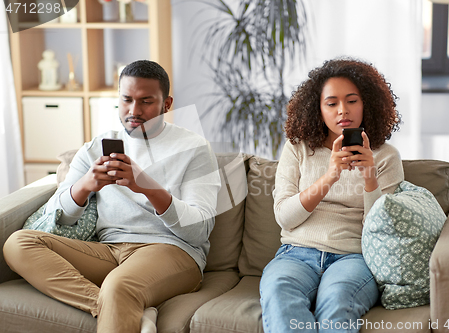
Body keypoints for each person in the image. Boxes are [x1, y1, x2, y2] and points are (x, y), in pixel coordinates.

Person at [3, 60, 220, 333]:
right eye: (126, 99)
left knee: (119, 286)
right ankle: (124, 310)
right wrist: (84, 186)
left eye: (146, 101)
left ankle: (121, 301)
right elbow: (57, 216)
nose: (134, 110)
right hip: (108, 249)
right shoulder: (96, 148)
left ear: (167, 104)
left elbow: (199, 231)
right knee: (18, 244)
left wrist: (146, 186)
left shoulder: (195, 149)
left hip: (171, 251)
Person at [259, 58, 404, 333]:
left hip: (353, 257)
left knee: (337, 301)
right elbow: (285, 218)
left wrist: (370, 178)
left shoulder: (385, 157)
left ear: (367, 104)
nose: (342, 111)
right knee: (278, 292)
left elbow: (382, 231)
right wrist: (330, 176)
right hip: (295, 255)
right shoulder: (297, 149)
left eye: (352, 101)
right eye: (332, 103)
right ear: (318, 108)